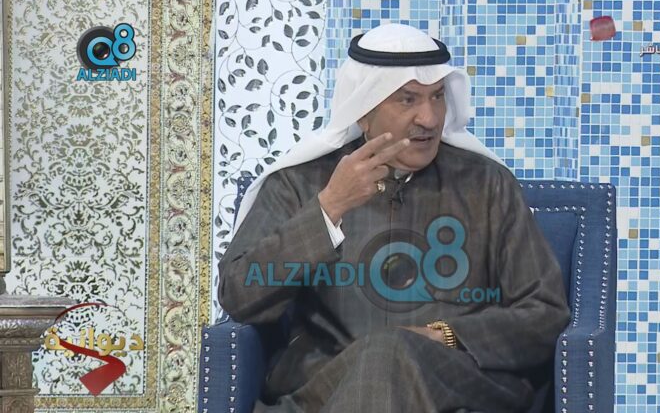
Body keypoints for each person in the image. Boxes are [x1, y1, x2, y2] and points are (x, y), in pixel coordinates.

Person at [218, 23, 570, 413]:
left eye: (437, 97)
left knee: (388, 355)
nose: (430, 118)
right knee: (380, 362)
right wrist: (329, 208)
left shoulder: (487, 185)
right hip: (327, 386)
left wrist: (445, 335)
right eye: (407, 100)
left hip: (453, 388)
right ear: (363, 112)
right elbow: (239, 295)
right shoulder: (300, 183)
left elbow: (545, 313)